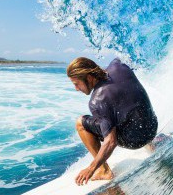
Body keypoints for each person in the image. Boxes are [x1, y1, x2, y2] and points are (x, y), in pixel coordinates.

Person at [67, 57, 158, 186]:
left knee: (80, 123)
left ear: (88, 78)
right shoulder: (119, 66)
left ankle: (103, 170)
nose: (76, 88)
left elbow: (111, 141)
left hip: (135, 141)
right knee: (126, 105)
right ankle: (152, 144)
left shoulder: (97, 101)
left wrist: (90, 169)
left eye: (76, 83)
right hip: (152, 127)